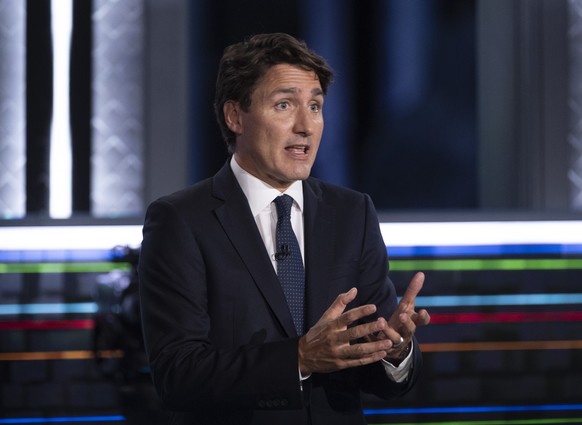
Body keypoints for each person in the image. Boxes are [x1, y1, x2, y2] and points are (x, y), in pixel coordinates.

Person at [138, 32, 430, 425]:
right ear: (235, 116)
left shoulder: (352, 213)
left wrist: (394, 350)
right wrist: (299, 358)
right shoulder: (181, 220)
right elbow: (178, 374)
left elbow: (378, 378)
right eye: (284, 105)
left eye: (315, 106)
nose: (306, 126)